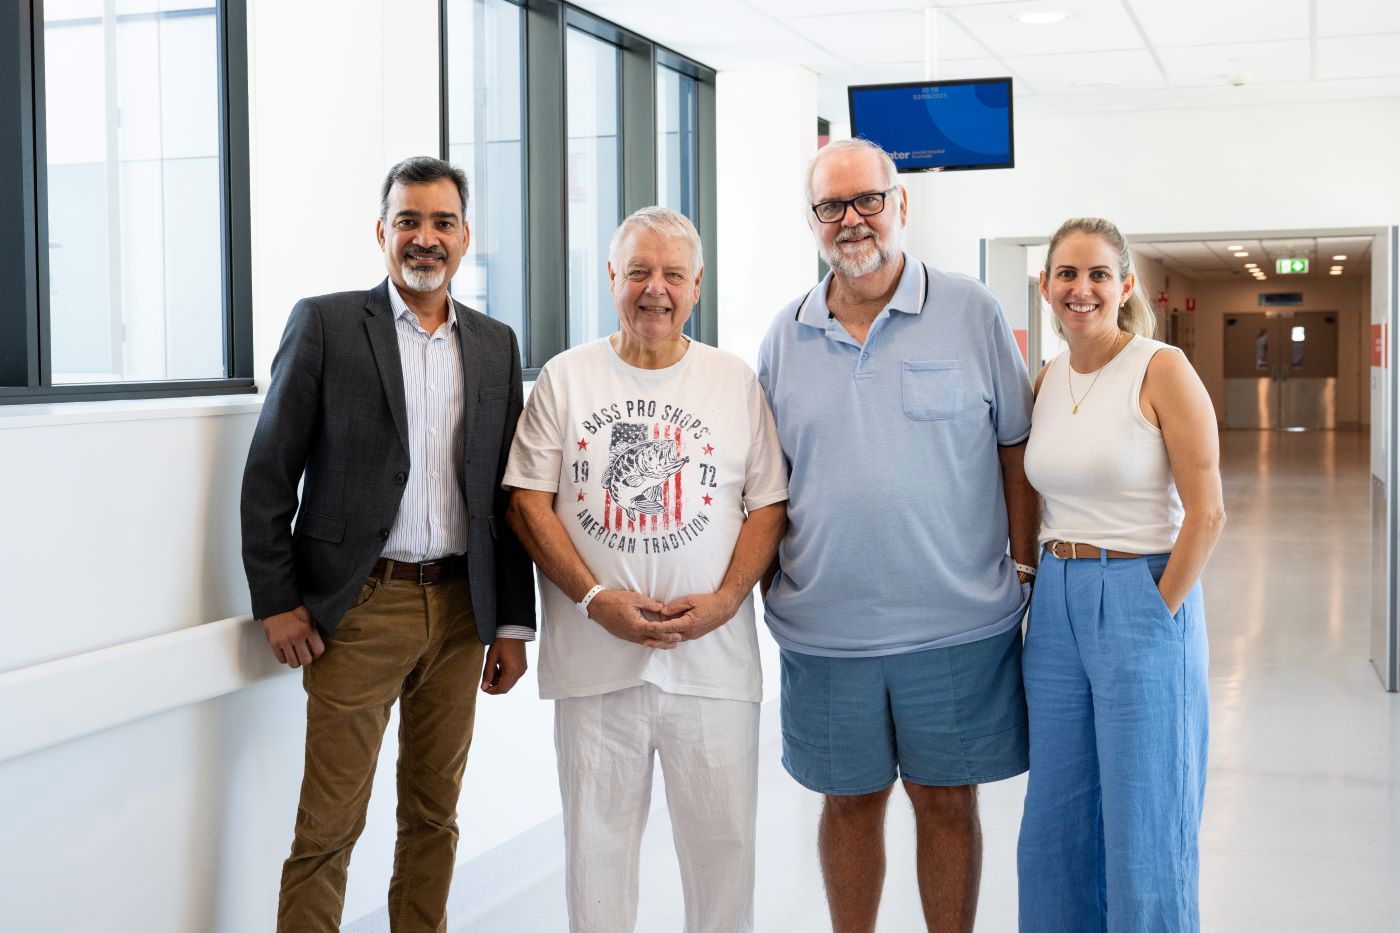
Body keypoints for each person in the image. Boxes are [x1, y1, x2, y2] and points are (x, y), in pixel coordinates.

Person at [240, 155, 535, 933]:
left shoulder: (497, 345)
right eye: (408, 221)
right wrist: (277, 602)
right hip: (360, 608)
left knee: (434, 817)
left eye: (442, 222)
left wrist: (510, 620)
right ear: (382, 232)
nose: (425, 238)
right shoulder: (328, 323)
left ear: (465, 237)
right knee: (328, 828)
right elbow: (269, 475)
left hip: (459, 610)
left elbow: (504, 496)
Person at [757, 137, 1038, 933]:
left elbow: (1015, 444)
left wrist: (1022, 567)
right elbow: (765, 481)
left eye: (868, 200)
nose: (852, 220)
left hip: (955, 625)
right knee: (847, 803)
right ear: (813, 221)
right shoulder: (786, 334)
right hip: (827, 629)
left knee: (947, 802)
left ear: (900, 205)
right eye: (831, 206)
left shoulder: (972, 311)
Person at [503, 206, 787, 933]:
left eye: (671, 274)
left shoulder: (733, 380)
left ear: (697, 285)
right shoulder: (565, 380)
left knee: (723, 860)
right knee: (596, 863)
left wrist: (728, 599)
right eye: (638, 272)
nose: (653, 289)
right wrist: (594, 596)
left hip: (713, 669)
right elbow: (527, 503)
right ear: (611, 279)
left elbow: (768, 505)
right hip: (597, 667)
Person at [1018, 217, 1225, 932]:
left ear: (1126, 285)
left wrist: (1156, 609)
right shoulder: (1045, 380)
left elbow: (1208, 512)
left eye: (1099, 274)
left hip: (1140, 590)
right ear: (1045, 287)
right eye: (1068, 275)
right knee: (1056, 819)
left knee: (1146, 817)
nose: (1082, 289)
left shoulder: (1161, 367)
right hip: (1055, 605)